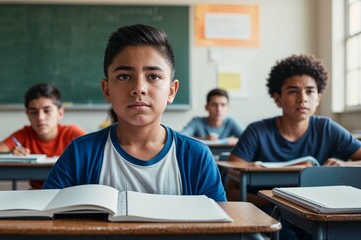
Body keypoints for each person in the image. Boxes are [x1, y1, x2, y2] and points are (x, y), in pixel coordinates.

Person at [42, 24, 226, 202]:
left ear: (171, 90)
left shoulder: (195, 156)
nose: (139, 89)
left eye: (153, 77)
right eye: (124, 77)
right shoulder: (81, 153)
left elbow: (220, 231)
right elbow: (45, 218)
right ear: (106, 90)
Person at [227, 54, 361, 240]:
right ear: (278, 98)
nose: (302, 99)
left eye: (310, 91)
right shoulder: (257, 131)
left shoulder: (327, 128)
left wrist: (345, 165)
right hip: (270, 213)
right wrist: (274, 202)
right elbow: (232, 184)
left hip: (317, 213)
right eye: (292, 91)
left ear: (319, 97)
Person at [0, 83, 86, 189]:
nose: (40, 118)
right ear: (27, 114)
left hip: (69, 193)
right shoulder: (24, 135)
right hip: (36, 193)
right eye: (34, 112)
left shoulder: (73, 134)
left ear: (60, 113)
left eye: (47, 111)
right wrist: (9, 155)